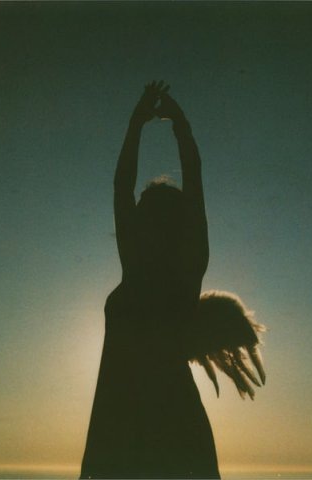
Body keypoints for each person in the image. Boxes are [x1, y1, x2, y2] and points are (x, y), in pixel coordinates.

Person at [80, 81, 220, 479]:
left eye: (143, 208)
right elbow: (126, 188)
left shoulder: (174, 266)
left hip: (143, 429)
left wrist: (144, 123)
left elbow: (126, 186)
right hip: (131, 428)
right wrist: (172, 124)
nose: (135, 213)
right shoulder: (169, 267)